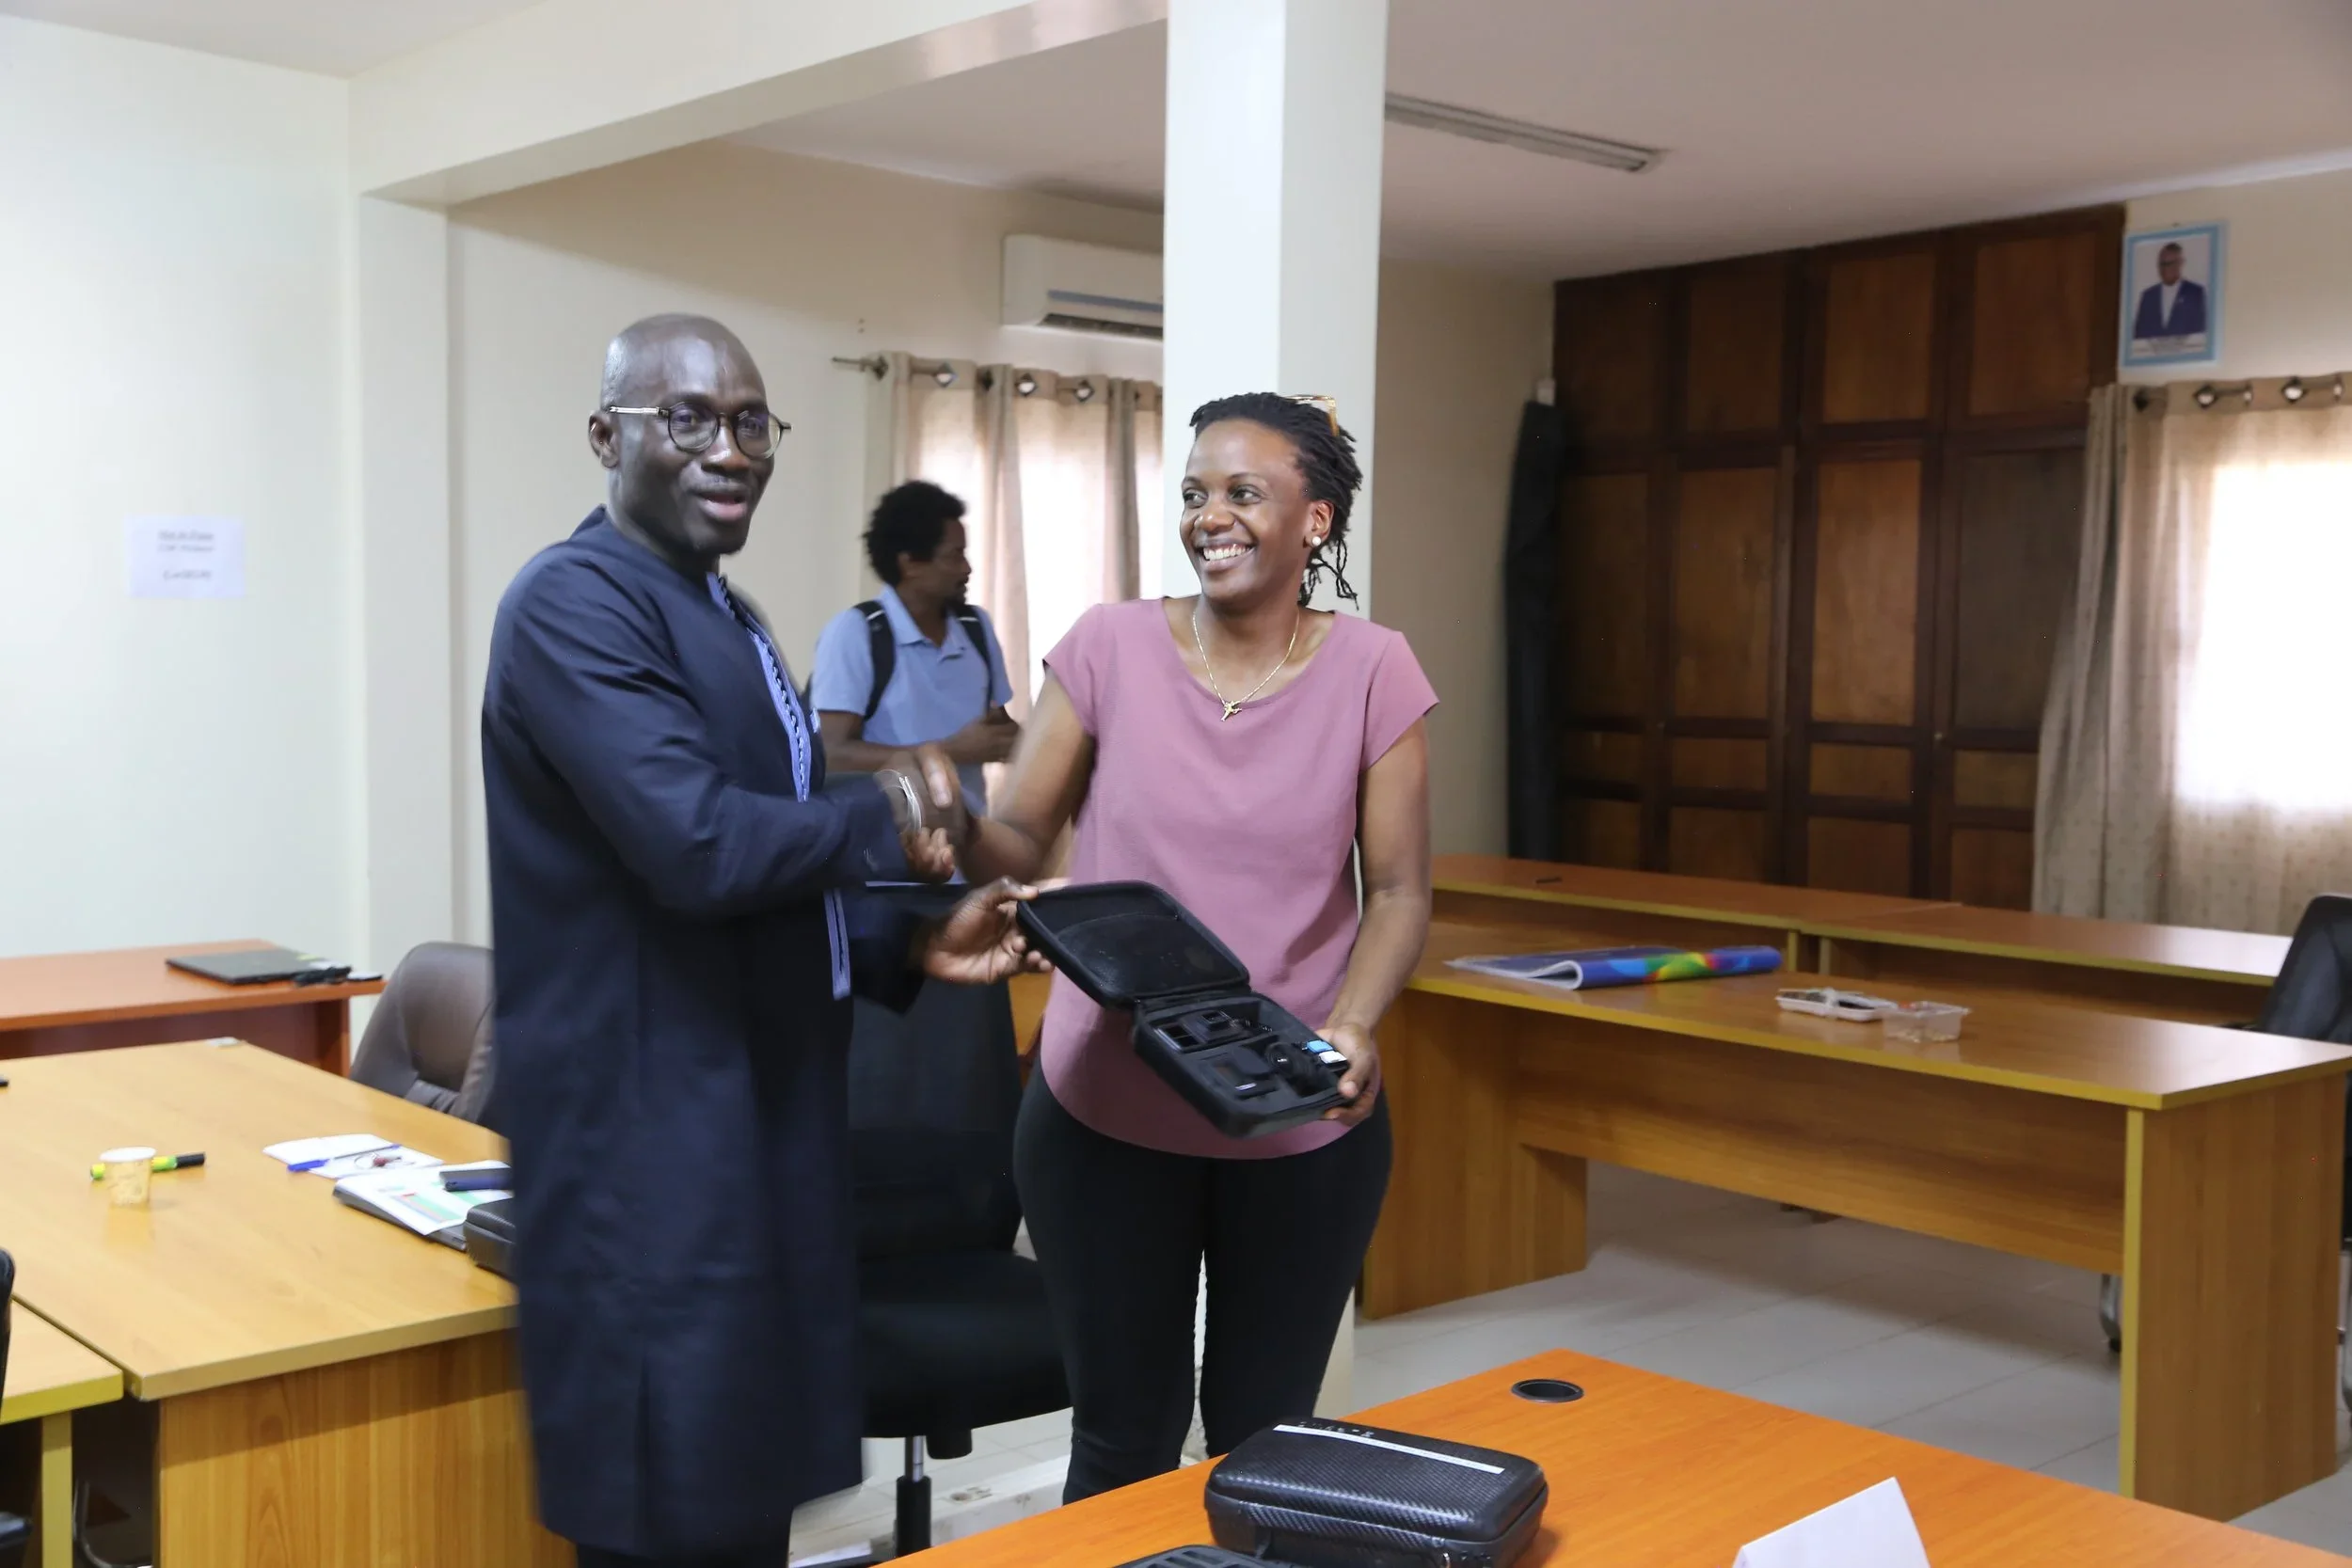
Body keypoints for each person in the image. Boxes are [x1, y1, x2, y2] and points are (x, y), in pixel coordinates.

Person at [480, 313, 1027, 1568]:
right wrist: (892, 802)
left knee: (740, 1508)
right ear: (606, 435)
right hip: (653, 1156)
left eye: (748, 422)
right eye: (686, 417)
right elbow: (699, 843)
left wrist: (903, 947)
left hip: (755, 1129)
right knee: (669, 1512)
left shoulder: (720, 610)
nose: (728, 449)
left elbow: (765, 854)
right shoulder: (574, 602)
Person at [961, 391, 1438, 1501]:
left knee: (1263, 1448)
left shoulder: (1375, 669)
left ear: (1315, 520)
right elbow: (1018, 830)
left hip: (1299, 1112)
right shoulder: (1108, 646)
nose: (1207, 516)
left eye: (1241, 492)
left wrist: (1353, 1022)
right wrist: (946, 825)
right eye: (1193, 492)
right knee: (1122, 1439)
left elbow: (1400, 889)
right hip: (1101, 1116)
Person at [813, 480, 1018, 815]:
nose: (967, 568)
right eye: (954, 556)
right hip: (886, 839)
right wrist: (950, 751)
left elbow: (999, 731)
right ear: (910, 564)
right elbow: (829, 754)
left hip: (971, 838)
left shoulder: (976, 628)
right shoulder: (856, 632)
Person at [2133, 241, 2207, 341]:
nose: (2164, 269)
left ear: (2180, 263)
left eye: (2169, 264)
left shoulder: (2195, 293)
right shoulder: (2148, 296)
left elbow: (2201, 331)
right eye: (2162, 264)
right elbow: (2138, 336)